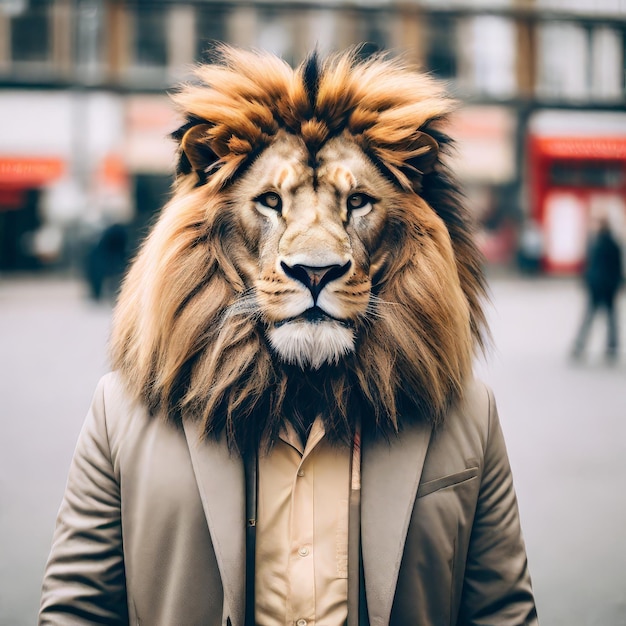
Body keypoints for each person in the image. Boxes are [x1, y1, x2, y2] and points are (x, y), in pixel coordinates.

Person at [39, 47, 537, 625]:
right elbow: (77, 612)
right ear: (217, 224)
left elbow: (501, 613)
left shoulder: (469, 417)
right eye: (270, 203)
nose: (317, 255)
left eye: (357, 203)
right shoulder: (119, 416)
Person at [572, 213, 623, 362]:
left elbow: (592, 267)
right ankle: (610, 346)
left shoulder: (598, 244)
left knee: (591, 318)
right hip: (607, 288)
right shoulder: (611, 244)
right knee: (609, 319)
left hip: (599, 287)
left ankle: (581, 345)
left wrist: (588, 281)